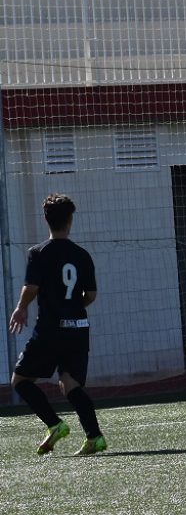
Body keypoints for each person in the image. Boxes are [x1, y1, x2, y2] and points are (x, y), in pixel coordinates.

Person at [8, 193, 106, 455]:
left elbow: (31, 286)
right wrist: (73, 308)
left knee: (20, 380)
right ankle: (94, 436)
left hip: (51, 328)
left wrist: (21, 307)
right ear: (70, 220)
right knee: (69, 382)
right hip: (78, 328)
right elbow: (91, 296)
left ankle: (54, 424)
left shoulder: (38, 253)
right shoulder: (82, 255)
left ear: (46, 220)